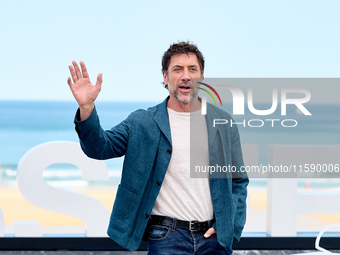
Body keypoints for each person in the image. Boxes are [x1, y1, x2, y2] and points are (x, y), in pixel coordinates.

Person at [67, 41, 248, 254]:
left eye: (193, 69)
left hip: (214, 240)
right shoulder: (143, 121)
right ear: (165, 77)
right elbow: (100, 148)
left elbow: (238, 180)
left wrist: (229, 226)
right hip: (167, 238)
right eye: (177, 69)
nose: (186, 76)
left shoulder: (222, 123)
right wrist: (87, 108)